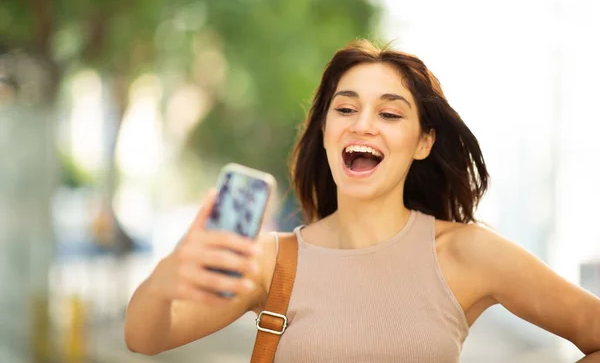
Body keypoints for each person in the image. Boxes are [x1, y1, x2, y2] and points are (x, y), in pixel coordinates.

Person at [124, 40, 600, 362]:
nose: (362, 124)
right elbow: (146, 338)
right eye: (346, 109)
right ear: (327, 134)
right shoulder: (274, 261)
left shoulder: (467, 252)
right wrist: (169, 276)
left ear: (423, 142)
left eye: (390, 113)